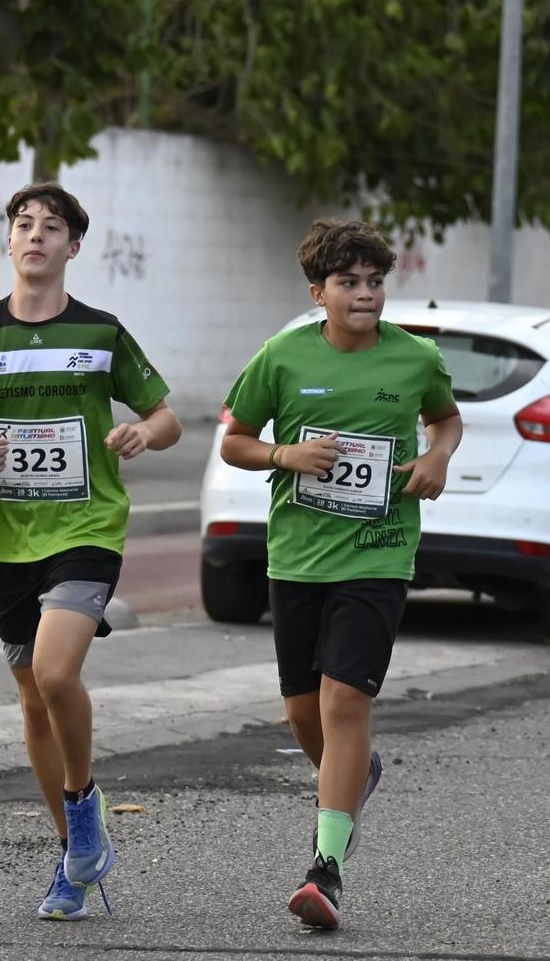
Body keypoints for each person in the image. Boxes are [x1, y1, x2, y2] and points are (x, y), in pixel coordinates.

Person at [0, 183, 180, 921]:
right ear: (9, 242)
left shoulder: (101, 332)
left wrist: (141, 434)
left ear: (73, 246)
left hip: (87, 527)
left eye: (52, 226)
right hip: (7, 537)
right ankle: (73, 855)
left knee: (58, 672)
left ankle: (84, 805)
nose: (35, 235)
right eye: (23, 224)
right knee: (33, 698)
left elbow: (166, 418)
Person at [219, 218, 462, 931]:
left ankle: (325, 871)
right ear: (317, 293)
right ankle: (356, 775)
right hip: (298, 555)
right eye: (349, 283)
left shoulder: (416, 358)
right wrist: (282, 456)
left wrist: (438, 456)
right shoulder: (281, 356)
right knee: (302, 711)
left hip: (380, 554)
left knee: (343, 702)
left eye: (375, 282)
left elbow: (446, 422)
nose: (366, 295)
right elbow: (233, 440)